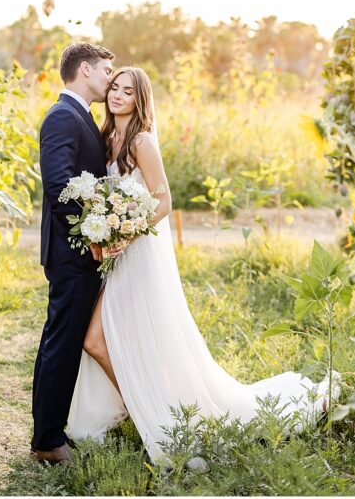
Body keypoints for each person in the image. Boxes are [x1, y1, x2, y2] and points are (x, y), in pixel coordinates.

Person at [65, 66, 333, 461]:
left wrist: (124, 232)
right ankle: (140, 406)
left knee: (96, 340)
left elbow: (163, 201)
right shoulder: (107, 137)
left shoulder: (141, 142)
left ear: (140, 99)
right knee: (119, 339)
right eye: (115, 88)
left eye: (128, 91)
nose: (119, 95)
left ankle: (146, 412)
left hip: (139, 254)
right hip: (117, 255)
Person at [32, 42, 115, 464]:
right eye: (104, 70)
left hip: (79, 251)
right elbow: (59, 186)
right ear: (84, 69)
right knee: (61, 342)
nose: (108, 79)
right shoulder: (63, 116)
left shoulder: (79, 115)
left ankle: (51, 431)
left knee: (60, 339)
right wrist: (93, 235)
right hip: (72, 252)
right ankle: (47, 440)